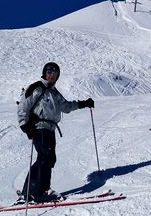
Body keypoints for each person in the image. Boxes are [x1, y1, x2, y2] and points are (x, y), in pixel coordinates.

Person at [17, 62, 94, 203]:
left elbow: (66, 106)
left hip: (50, 129)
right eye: (49, 72)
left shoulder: (54, 92)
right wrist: (25, 126)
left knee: (47, 158)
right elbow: (23, 106)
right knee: (46, 157)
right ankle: (40, 191)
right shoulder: (36, 88)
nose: (52, 75)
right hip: (39, 127)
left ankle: (30, 192)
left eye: (55, 73)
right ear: (44, 73)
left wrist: (83, 104)